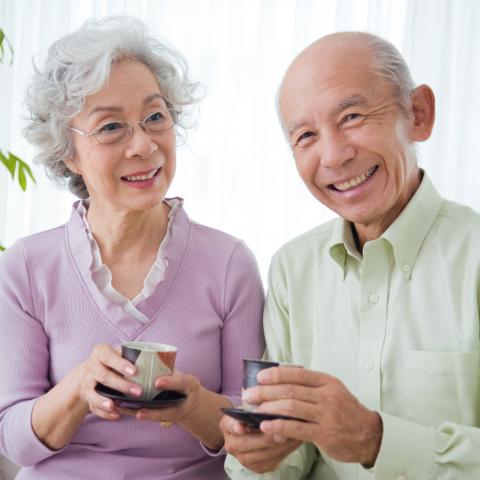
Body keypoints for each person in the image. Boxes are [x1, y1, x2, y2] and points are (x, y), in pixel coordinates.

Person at [0, 16, 264, 480]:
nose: (144, 145)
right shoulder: (27, 266)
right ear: (68, 151)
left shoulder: (227, 264)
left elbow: (256, 435)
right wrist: (78, 388)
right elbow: (12, 437)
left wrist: (193, 405)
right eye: (110, 127)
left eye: (155, 117)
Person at [222, 31, 480, 479]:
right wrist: (261, 455)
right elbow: (290, 458)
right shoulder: (291, 268)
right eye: (305, 135)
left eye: (353, 116)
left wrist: (375, 439)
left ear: (418, 114)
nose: (334, 156)